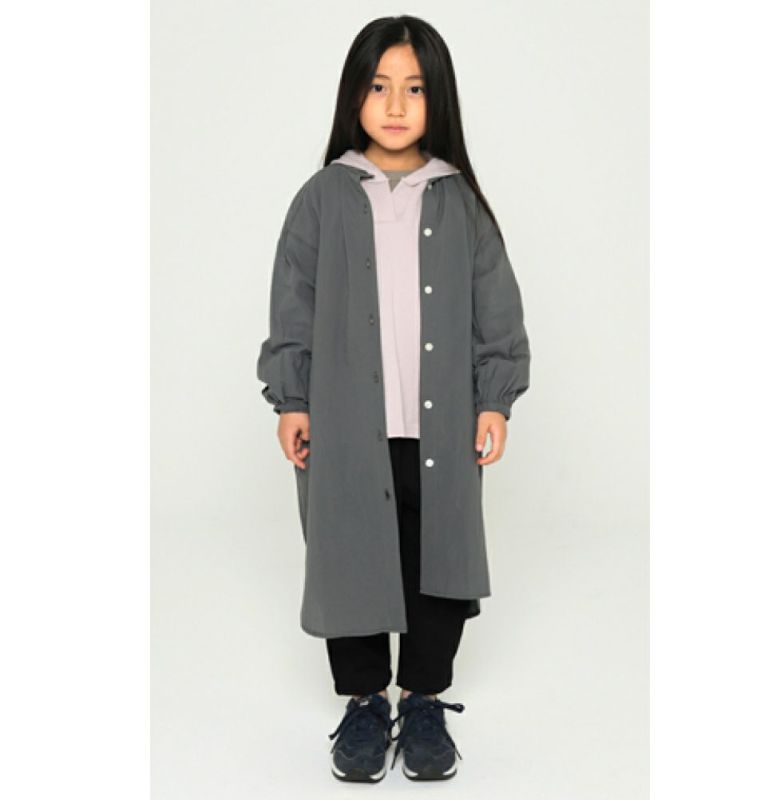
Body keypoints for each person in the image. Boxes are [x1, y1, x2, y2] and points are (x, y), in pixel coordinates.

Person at [256, 14, 530, 783]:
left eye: (414, 88)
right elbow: (293, 302)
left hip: (441, 428)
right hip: (348, 425)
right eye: (379, 87)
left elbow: (497, 309)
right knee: (349, 552)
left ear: (439, 99)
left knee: (437, 558)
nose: (397, 105)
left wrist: (494, 399)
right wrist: (292, 399)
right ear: (354, 97)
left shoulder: (461, 204)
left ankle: (424, 700)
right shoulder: (322, 198)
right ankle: (365, 704)